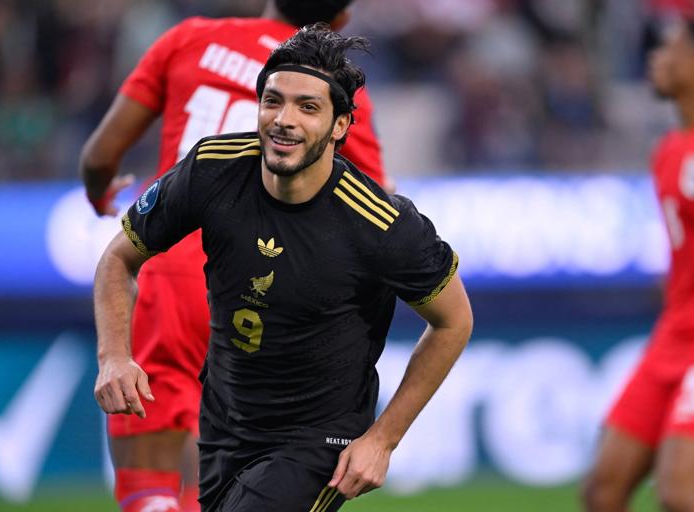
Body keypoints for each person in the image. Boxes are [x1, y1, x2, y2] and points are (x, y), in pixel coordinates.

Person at [93, 25, 472, 512]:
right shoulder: (212, 168)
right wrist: (114, 356)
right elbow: (118, 258)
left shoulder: (380, 222)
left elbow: (454, 320)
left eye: (307, 108)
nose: (283, 120)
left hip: (317, 442)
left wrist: (383, 439)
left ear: (339, 126)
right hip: (224, 429)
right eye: (273, 101)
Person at [583, 16, 694, 512]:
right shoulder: (669, 151)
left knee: (681, 493)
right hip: (673, 335)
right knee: (603, 490)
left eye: (669, 49)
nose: (655, 59)